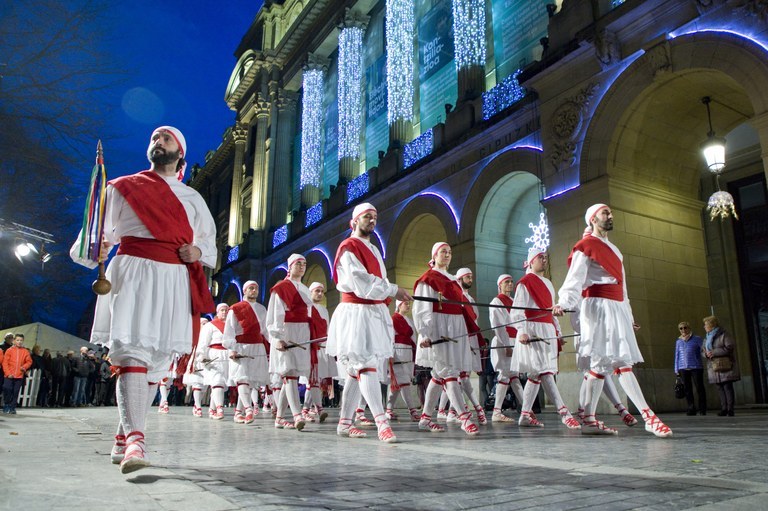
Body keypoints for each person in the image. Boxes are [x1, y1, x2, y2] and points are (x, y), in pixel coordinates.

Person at [70, 126, 217, 472]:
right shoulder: (122, 187)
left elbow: (208, 242)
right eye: (154, 138)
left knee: (158, 361)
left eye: (166, 139)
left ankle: (124, 435)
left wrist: (197, 251)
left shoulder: (192, 198)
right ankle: (137, 439)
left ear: (180, 153)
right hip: (133, 272)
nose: (158, 142)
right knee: (133, 353)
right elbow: (95, 235)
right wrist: (96, 248)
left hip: (175, 278)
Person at [553, 204, 671, 437]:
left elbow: (623, 288)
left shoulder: (615, 250)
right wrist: (563, 303)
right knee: (620, 362)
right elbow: (574, 279)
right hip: (597, 308)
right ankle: (648, 416)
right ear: (593, 219)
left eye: (610, 213)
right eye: (605, 213)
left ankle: (588, 420)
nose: (610, 216)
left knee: (600, 366)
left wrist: (628, 316)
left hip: (616, 308)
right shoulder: (585, 246)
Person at [327, 202, 411, 443]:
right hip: (356, 312)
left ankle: (344, 423)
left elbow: (375, 282)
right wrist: (394, 290)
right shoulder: (348, 247)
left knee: (356, 370)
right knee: (365, 365)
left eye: (375, 216)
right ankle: (382, 422)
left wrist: (390, 292)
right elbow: (361, 282)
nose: (372, 220)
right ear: (354, 221)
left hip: (372, 312)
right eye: (367, 216)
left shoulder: (373, 248)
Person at [413, 242, 479, 436]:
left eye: (449, 252)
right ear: (434, 255)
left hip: (455, 327)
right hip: (439, 328)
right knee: (449, 372)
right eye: (443, 252)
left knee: (438, 374)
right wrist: (425, 333)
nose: (447, 255)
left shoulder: (453, 280)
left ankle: (425, 418)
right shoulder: (428, 278)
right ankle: (464, 417)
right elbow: (422, 308)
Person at [510, 249, 580, 429]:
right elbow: (517, 310)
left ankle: (525, 415)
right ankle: (564, 413)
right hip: (533, 330)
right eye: (540, 257)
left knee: (536, 374)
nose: (544, 260)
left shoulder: (548, 283)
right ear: (531, 261)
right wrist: (522, 330)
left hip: (547, 329)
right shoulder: (525, 282)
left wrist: (558, 333)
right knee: (545, 371)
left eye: (545, 257)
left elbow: (551, 310)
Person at [267, 254, 313, 431]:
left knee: (292, 373)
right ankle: (297, 414)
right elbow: (275, 315)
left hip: (302, 332)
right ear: (290, 266)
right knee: (289, 372)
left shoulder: (306, 289)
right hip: (286, 331)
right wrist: (277, 338)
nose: (302, 266)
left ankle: (279, 418)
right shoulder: (281, 287)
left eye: (304, 264)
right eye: (298, 264)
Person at [223, 280, 270, 425]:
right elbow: (229, 330)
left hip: (258, 347)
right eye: (251, 288)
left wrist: (276, 343)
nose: (254, 290)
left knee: (249, 381)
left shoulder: (262, 309)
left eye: (256, 288)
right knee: (242, 378)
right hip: (241, 347)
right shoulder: (236, 308)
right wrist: (232, 349)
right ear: (244, 291)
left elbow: (266, 330)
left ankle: (238, 412)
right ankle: (248, 410)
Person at [489, 274, 525, 422]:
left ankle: (526, 409)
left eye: (511, 282)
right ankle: (497, 412)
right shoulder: (496, 301)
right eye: (506, 282)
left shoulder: (513, 301)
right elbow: (498, 326)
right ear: (500, 285)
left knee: (514, 376)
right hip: (504, 340)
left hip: (514, 340)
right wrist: (506, 344)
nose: (510, 284)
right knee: (504, 375)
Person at [304, 281, 336, 423]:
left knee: (316, 381)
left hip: (323, 348)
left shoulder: (324, 310)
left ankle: (308, 409)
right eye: (317, 291)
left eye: (322, 291)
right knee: (312, 380)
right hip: (311, 349)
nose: (320, 294)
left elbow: (327, 329)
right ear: (310, 292)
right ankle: (314, 409)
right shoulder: (306, 308)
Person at [386, 299, 421, 422]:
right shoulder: (393, 318)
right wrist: (390, 354)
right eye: (406, 303)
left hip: (408, 352)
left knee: (397, 385)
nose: (408, 305)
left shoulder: (409, 320)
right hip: (398, 353)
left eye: (409, 303)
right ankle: (412, 411)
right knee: (404, 382)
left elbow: (413, 337)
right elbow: (390, 337)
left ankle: (388, 410)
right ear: (399, 305)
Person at [198, 303, 230, 419]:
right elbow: (203, 341)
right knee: (217, 381)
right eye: (222, 310)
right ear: (217, 312)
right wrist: (202, 355)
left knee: (221, 383)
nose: (224, 312)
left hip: (227, 356)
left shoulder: (231, 326)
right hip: (214, 355)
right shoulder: (210, 325)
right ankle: (220, 409)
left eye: (226, 310)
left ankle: (212, 409)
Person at [703, 315, 740, 416]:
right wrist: (706, 354)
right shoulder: (707, 337)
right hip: (713, 365)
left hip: (725, 364)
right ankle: (724, 409)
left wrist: (714, 352)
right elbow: (703, 350)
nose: (704, 327)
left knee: (727, 386)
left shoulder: (723, 334)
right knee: (719, 387)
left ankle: (730, 409)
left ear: (712, 325)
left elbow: (730, 347)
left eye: (706, 324)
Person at [674, 321, 706, 416]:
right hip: (683, 368)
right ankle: (691, 408)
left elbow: (703, 350)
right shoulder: (678, 341)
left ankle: (702, 408)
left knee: (699, 388)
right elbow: (677, 355)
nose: (683, 330)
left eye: (685, 327)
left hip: (696, 367)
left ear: (689, 328)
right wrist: (676, 369)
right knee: (687, 389)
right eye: (681, 328)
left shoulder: (697, 339)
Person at [2, 334, 32, 414]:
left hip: (19, 375)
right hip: (9, 375)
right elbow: (5, 363)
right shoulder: (9, 350)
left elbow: (29, 361)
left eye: (21, 340)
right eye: (18, 340)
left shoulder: (25, 351)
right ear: (14, 341)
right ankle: (7, 404)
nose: (19, 342)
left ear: (23, 341)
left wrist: (24, 367)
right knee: (7, 389)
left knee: (16, 392)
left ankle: (12, 407)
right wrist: (8, 373)